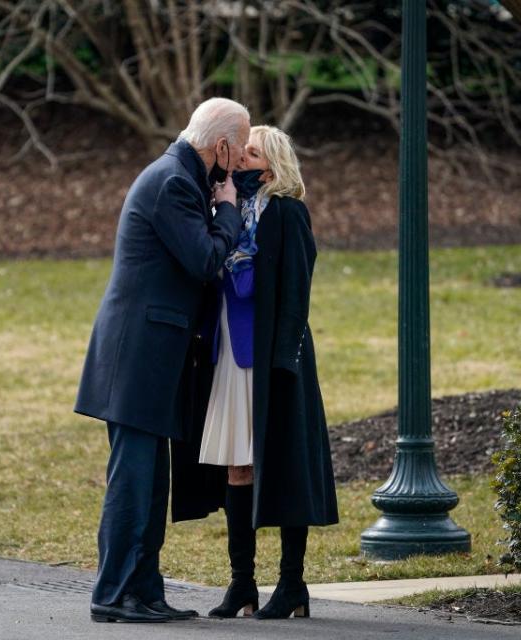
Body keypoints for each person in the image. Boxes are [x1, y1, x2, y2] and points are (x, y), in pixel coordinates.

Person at [75, 97, 250, 623]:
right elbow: (204, 259)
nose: (241, 162)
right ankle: (112, 594)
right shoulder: (174, 181)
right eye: (239, 149)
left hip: (153, 354)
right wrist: (228, 211)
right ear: (220, 146)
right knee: (133, 478)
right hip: (138, 353)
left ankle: (144, 592)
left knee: (151, 481)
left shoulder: (180, 176)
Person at [186, 125, 339, 619]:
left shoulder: (287, 214)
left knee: (284, 463)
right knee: (238, 467)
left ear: (270, 165)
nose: (240, 160)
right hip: (232, 352)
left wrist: (285, 360)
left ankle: (292, 585)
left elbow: (297, 291)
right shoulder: (229, 214)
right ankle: (241, 586)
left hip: (276, 359)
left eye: (250, 153)